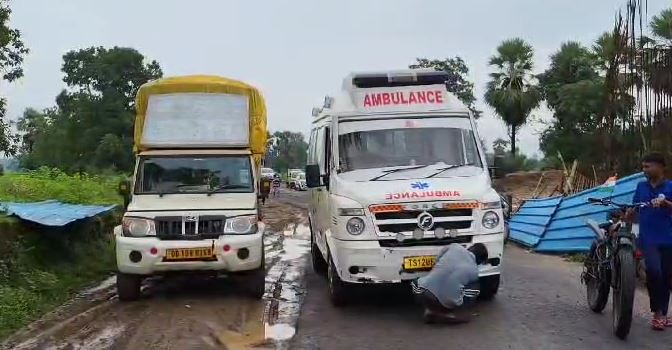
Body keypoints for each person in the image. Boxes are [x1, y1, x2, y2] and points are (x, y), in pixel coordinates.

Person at [628, 152, 672, 330]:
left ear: (660, 167)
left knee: (667, 276)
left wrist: (666, 204)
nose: (644, 170)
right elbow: (635, 211)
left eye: (648, 166)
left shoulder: (670, 186)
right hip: (648, 239)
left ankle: (662, 313)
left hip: (669, 238)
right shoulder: (641, 187)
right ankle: (658, 313)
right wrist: (630, 214)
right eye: (643, 166)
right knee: (654, 272)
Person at [411, 243, 488, 324]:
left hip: (423, 293)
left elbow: (436, 262)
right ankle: (452, 313)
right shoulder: (474, 271)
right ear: (480, 260)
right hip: (445, 304)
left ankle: (429, 310)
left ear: (470, 248)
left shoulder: (454, 246)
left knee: (416, 281)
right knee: (475, 286)